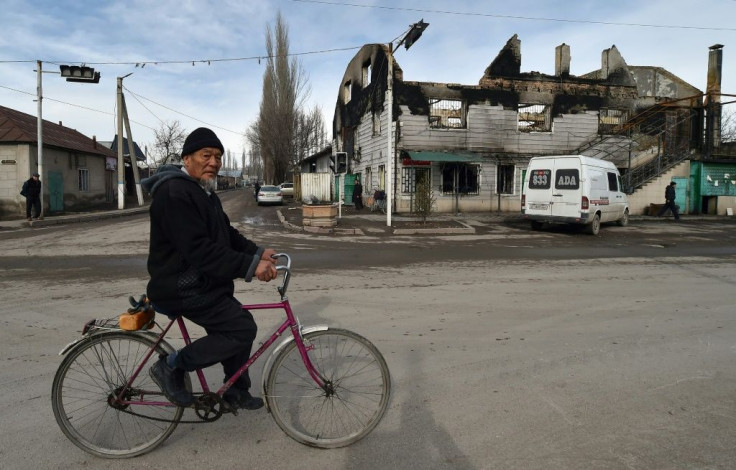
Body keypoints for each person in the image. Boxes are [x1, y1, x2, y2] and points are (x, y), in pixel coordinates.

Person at [141, 127, 278, 411]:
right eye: (207, 155)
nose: (214, 162)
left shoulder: (204, 194)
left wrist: (257, 251)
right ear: (187, 157)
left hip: (202, 284)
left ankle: (235, 390)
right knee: (240, 329)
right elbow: (200, 250)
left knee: (239, 322)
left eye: (218, 156)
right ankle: (172, 366)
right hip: (180, 286)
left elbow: (226, 234)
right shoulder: (174, 192)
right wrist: (252, 266)